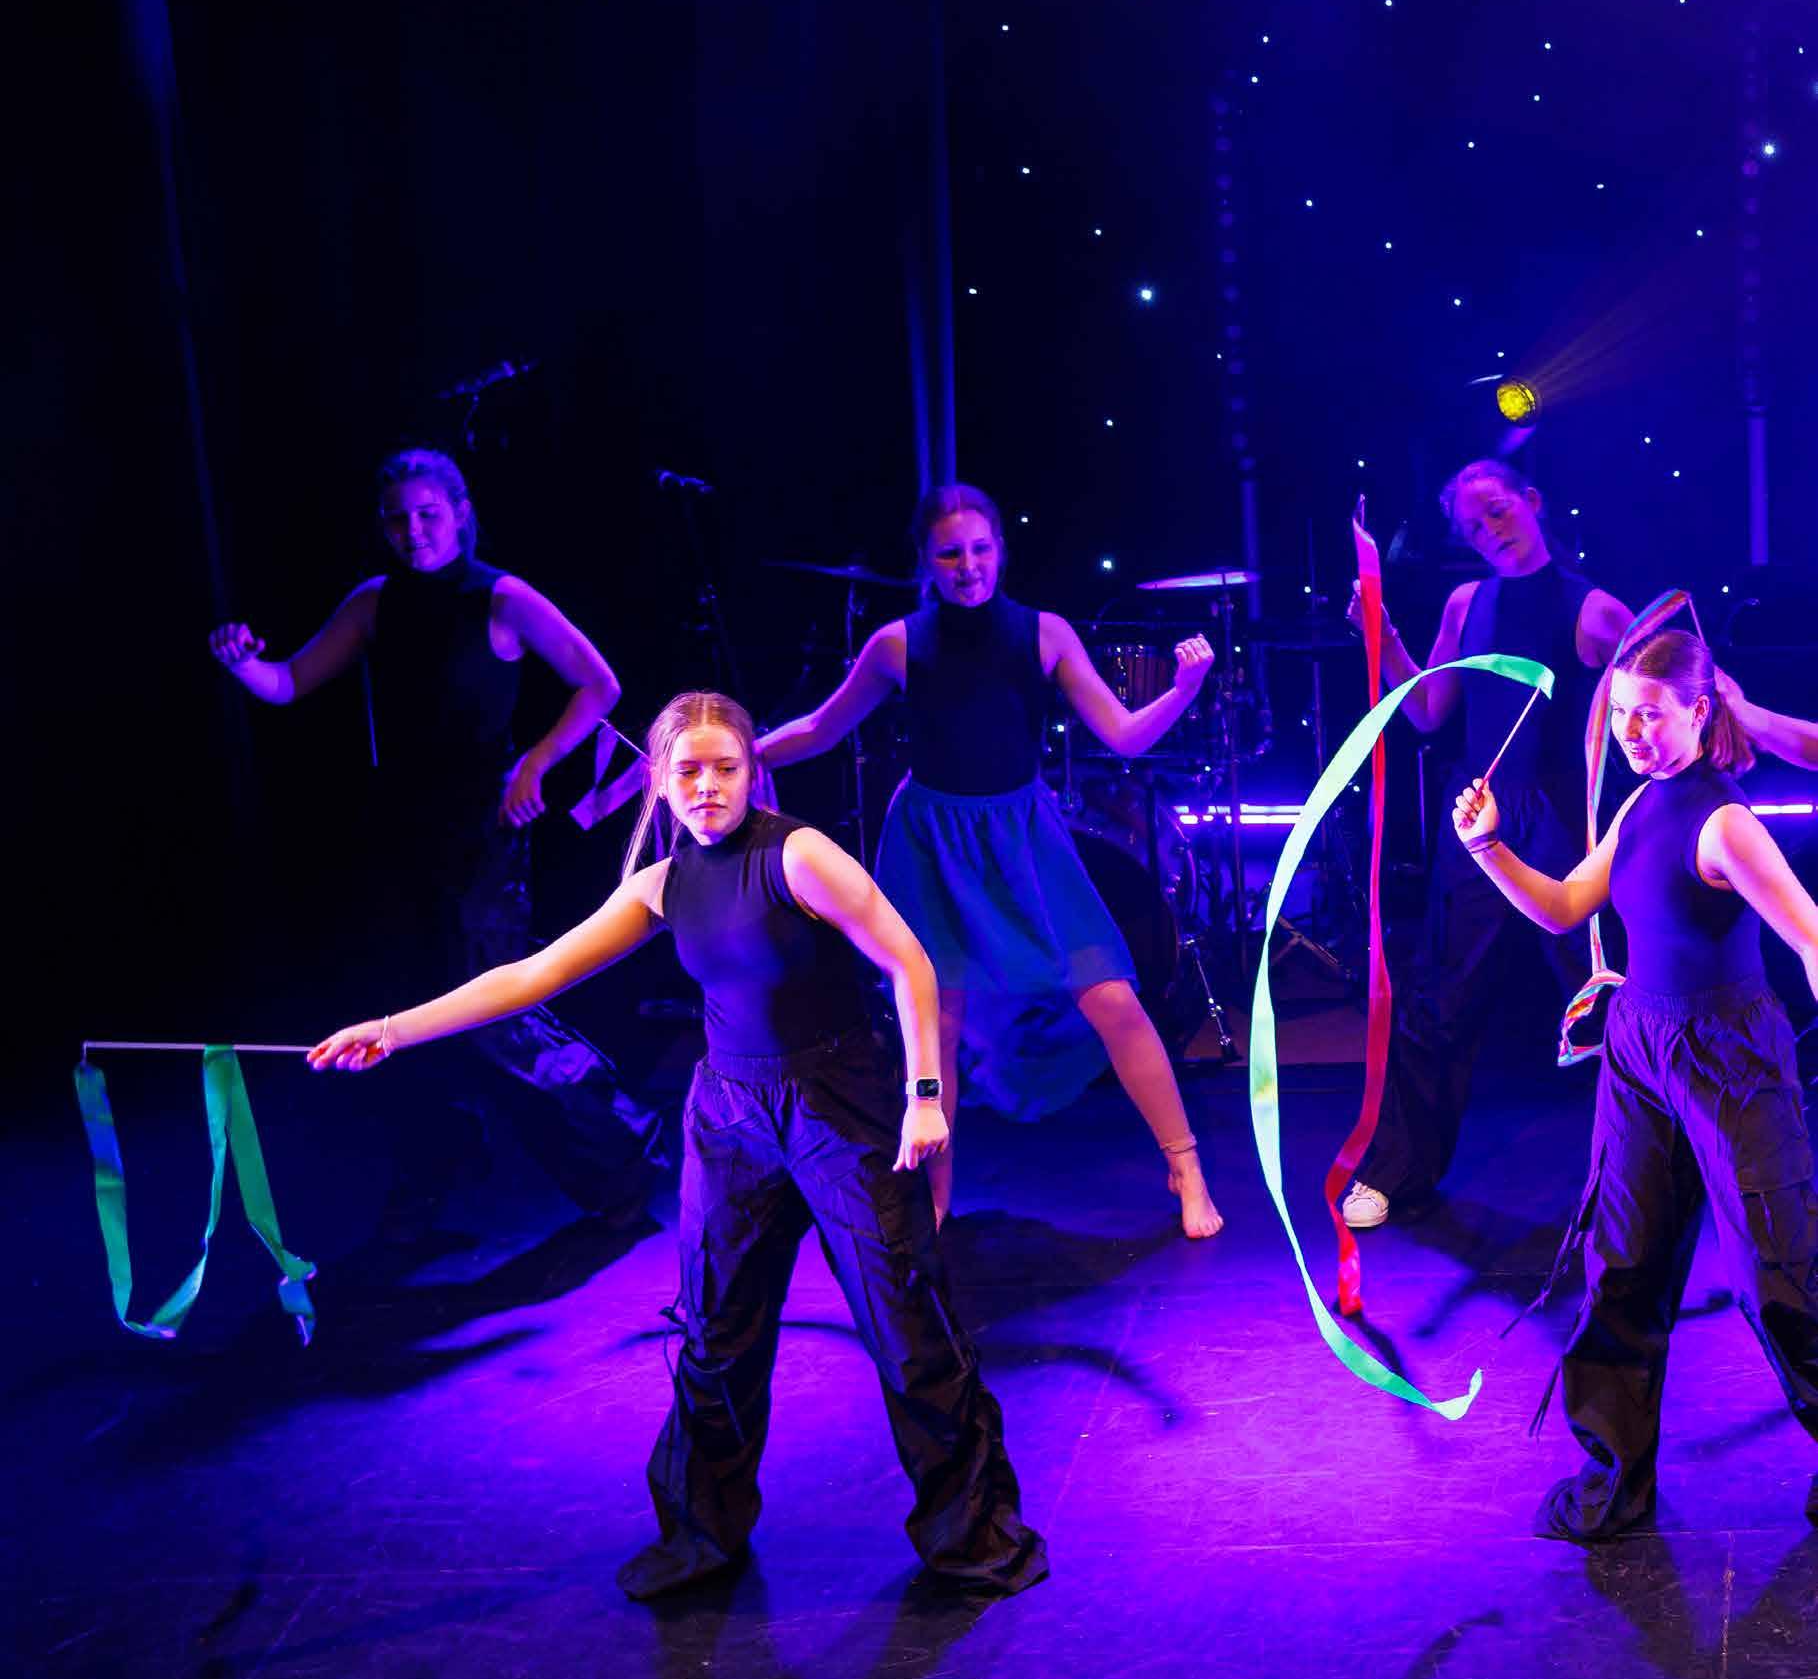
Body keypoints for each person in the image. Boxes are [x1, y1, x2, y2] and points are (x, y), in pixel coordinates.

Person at [310, 690, 1049, 1602]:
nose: (707, 786)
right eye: (688, 770)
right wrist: (393, 1029)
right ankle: (702, 1534)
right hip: (729, 1118)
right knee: (715, 1333)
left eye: (725, 767)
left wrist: (924, 1095)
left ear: (751, 771)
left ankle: (972, 1534)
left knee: (907, 1328)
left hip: (838, 1108)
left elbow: (911, 961)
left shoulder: (798, 855)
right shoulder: (660, 885)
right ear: (659, 780)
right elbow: (532, 974)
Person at [210, 447, 661, 1229]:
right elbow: (287, 684)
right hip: (401, 834)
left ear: (459, 514)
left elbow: (601, 683)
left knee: (495, 1014)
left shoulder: (503, 597)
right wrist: (243, 663)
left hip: (483, 834)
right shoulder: (374, 603)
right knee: (404, 1009)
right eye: (398, 517)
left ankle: (623, 1152)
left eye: (428, 513)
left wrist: (536, 762)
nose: (413, 529)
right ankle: (441, 1163)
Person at [755, 483, 1222, 1238]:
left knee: (1111, 997)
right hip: (931, 845)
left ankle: (1186, 1166)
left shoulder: (1045, 634)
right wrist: (740, 755)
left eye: (980, 549)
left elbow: (1124, 735)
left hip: (1024, 840)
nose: (968, 565)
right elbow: (820, 726)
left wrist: (1183, 690)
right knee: (936, 1020)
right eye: (950, 553)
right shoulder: (897, 644)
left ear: (1000, 551)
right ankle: (935, 1201)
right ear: (926, 560)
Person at [1451, 629, 1818, 1541]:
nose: (1631, 732)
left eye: (1650, 715)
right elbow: (1564, 905)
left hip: (1730, 1058)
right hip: (1640, 1051)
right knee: (1621, 1266)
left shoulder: (1723, 823)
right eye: (1619, 714)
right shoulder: (1640, 804)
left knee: (1780, 1278)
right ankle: (1614, 1477)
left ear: (1698, 711)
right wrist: (1488, 846)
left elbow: (1811, 938)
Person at [1338, 457, 1633, 1229]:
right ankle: (1397, 1172)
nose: (1489, 531)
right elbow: (1428, 710)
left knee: (1607, 998)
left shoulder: (1593, 608)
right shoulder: (1466, 603)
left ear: (1532, 501)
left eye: (1498, 511)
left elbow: (1659, 690)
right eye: (1472, 526)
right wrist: (1383, 635)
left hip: (1565, 822)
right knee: (1439, 995)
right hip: (1477, 814)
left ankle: (1657, 1174)